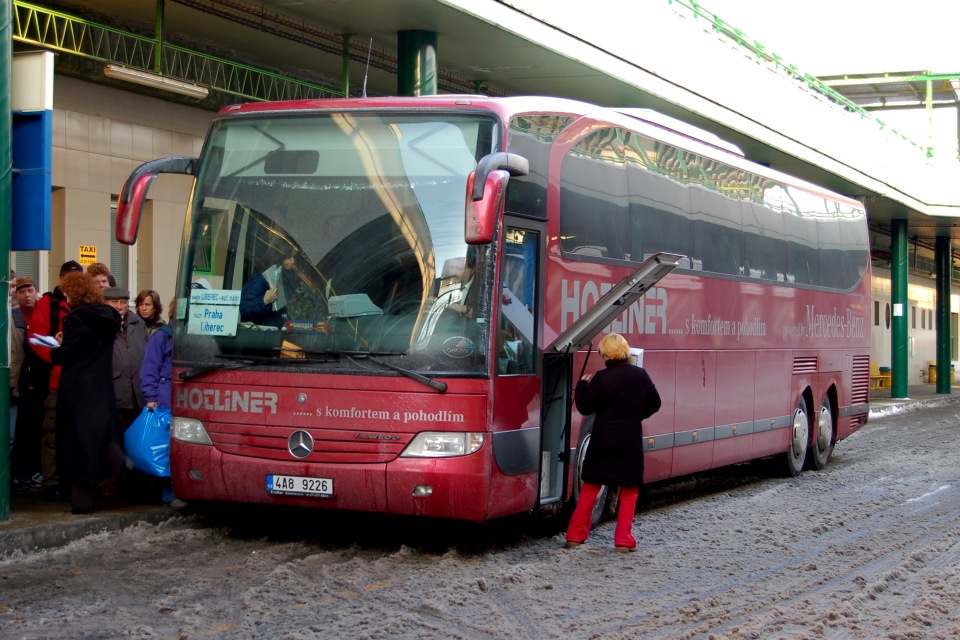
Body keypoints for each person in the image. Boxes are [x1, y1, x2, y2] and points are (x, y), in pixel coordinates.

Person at [565, 332, 661, 553]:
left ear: (606, 354)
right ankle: (623, 540)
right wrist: (637, 414)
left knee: (590, 487)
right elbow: (655, 403)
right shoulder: (640, 376)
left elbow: (585, 407)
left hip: (603, 440)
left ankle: (575, 535)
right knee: (629, 490)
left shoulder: (602, 378)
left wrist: (581, 387)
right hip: (630, 441)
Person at [48, 271, 123, 514]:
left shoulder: (76, 319)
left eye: (68, 292)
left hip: (78, 388)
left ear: (76, 292)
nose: (66, 297)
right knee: (98, 436)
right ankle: (119, 463)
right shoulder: (109, 316)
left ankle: (82, 502)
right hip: (101, 385)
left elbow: (66, 354)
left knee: (77, 443)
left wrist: (55, 348)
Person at [27, 260, 84, 498]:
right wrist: (58, 351)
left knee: (76, 434)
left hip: (79, 382)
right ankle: (51, 481)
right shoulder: (48, 304)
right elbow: (35, 337)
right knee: (51, 433)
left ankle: (73, 480)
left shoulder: (86, 306)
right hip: (55, 380)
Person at [140, 299, 179, 505]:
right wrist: (151, 398)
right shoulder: (163, 337)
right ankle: (167, 493)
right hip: (164, 401)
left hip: (181, 399)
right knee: (163, 448)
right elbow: (149, 368)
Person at [10, 277, 41, 489]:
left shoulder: (42, 313)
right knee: (15, 433)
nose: (27, 295)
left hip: (36, 383)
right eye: (22, 291)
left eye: (30, 290)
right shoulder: (13, 316)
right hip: (19, 382)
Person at [104, 287, 148, 432]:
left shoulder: (138, 323)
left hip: (138, 391)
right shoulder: (101, 324)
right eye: (114, 302)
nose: (119, 306)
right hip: (116, 391)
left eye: (123, 302)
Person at [239, 245, 301, 328]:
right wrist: (264, 301)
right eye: (289, 257)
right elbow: (244, 309)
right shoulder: (261, 279)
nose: (293, 261)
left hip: (281, 330)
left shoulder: (288, 277)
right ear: (279, 257)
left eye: (294, 257)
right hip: (266, 334)